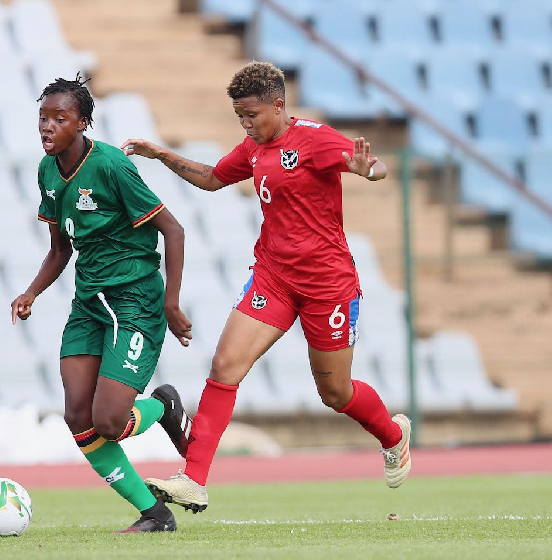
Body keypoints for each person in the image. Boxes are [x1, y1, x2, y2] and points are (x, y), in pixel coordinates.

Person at [121, 61, 411, 513]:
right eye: (239, 116)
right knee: (225, 366)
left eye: (252, 115)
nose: (246, 124)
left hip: (327, 285)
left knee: (335, 394)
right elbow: (214, 178)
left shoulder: (314, 139)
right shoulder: (253, 149)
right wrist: (162, 155)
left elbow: (375, 167)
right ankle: (194, 479)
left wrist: (364, 169)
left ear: (278, 105)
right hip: (273, 276)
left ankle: (393, 436)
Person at [11, 74, 194, 532]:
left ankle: (164, 408)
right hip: (89, 304)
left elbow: (173, 229)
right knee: (77, 417)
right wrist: (31, 292)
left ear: (83, 123)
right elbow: (60, 249)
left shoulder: (111, 166)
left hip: (134, 300)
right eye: (43, 117)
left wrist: (171, 304)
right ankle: (154, 514)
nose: (47, 127)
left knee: (108, 421)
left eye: (60, 118)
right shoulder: (46, 171)